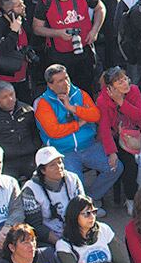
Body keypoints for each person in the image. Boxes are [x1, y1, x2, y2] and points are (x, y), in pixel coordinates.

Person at [34, 65, 123, 203]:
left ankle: (90, 200)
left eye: (66, 78)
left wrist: (72, 107)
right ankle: (80, 206)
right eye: (60, 81)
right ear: (50, 85)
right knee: (75, 183)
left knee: (115, 168)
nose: (66, 83)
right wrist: (79, 124)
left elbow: (95, 115)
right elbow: (54, 131)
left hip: (89, 145)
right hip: (64, 151)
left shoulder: (79, 93)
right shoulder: (43, 103)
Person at [32, 0, 106, 94]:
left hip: (84, 50)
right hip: (59, 54)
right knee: (62, 91)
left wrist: (95, 30)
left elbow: (100, 8)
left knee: (87, 89)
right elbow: (36, 28)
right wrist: (58, 33)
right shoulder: (45, 1)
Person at [97, 66, 141, 210]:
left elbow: (139, 114)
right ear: (110, 88)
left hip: (137, 131)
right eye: (119, 82)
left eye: (125, 79)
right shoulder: (102, 100)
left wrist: (121, 102)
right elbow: (104, 128)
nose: (125, 84)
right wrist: (111, 152)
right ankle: (131, 198)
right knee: (128, 164)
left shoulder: (134, 90)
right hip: (116, 136)